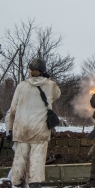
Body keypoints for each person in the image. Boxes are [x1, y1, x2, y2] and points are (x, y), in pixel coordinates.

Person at [7, 57, 61, 188]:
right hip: (39, 129)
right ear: (43, 70)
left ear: (31, 70)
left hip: (21, 128)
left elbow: (13, 109)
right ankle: (34, 183)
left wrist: (9, 129)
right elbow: (57, 94)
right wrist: (47, 79)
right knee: (37, 159)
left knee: (20, 159)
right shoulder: (51, 85)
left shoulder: (21, 86)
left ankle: (18, 182)